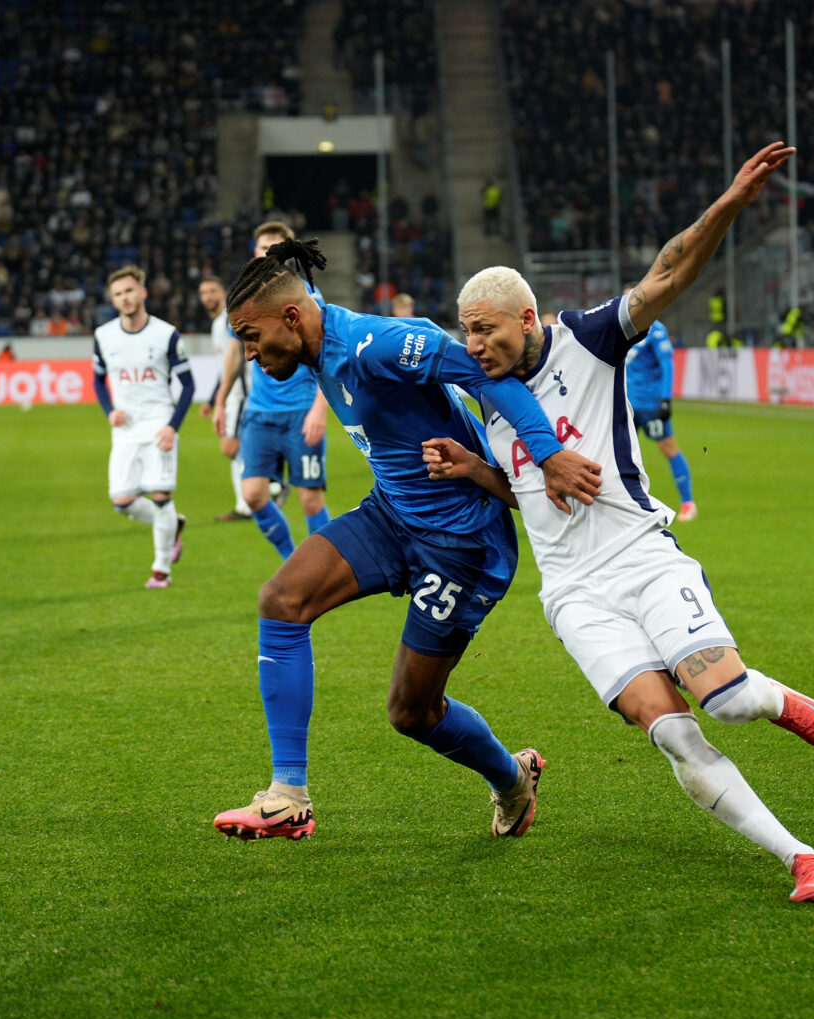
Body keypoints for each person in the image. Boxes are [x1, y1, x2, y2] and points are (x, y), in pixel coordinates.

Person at [423, 143, 814, 903]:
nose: (475, 346)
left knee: (728, 701)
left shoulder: (590, 340)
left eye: (486, 330)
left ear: (527, 317)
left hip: (642, 558)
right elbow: (526, 494)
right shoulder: (484, 392)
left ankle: (778, 700)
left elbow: (668, 273)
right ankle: (802, 858)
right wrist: (476, 471)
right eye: (466, 332)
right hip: (573, 595)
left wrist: (728, 205)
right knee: (673, 733)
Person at [212, 237, 604, 842]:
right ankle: (288, 796)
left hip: (463, 542)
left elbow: (483, 376)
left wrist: (547, 454)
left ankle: (512, 778)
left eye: (250, 335)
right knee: (281, 600)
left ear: (290, 317)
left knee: (412, 712)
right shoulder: (311, 342)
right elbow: (306, 302)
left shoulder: (378, 344)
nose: (249, 351)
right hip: (392, 515)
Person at [213, 222, 332, 558]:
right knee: (252, 495)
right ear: (254, 252)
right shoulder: (244, 298)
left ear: (288, 252)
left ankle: (322, 567)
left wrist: (319, 409)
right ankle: (292, 562)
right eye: (263, 246)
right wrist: (221, 401)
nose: (269, 252)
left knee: (310, 499)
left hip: (301, 412)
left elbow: (328, 356)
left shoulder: (308, 297)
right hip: (259, 412)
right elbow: (235, 352)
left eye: (276, 246)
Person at [91, 266, 193, 587]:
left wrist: (172, 426)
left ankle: (161, 571)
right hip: (125, 429)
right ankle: (173, 523)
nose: (125, 298)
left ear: (143, 292)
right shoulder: (103, 336)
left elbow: (188, 385)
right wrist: (109, 411)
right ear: (112, 299)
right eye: (118, 294)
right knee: (121, 501)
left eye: (130, 291)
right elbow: (98, 379)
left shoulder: (166, 334)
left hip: (159, 424)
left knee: (160, 495)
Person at [624, 317, 696, 521]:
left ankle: (688, 503)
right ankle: (628, 506)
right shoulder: (623, 327)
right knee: (622, 453)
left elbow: (667, 364)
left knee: (668, 447)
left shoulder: (655, 331)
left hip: (651, 403)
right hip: (626, 404)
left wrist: (666, 398)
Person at [196, 275, 254, 521]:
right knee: (240, 448)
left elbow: (237, 363)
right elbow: (224, 368)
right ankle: (250, 501)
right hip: (232, 394)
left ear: (223, 293)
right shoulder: (217, 324)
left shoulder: (228, 321)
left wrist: (232, 398)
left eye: (212, 291)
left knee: (231, 447)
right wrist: (212, 400)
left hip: (240, 393)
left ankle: (263, 492)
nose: (208, 297)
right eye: (203, 293)